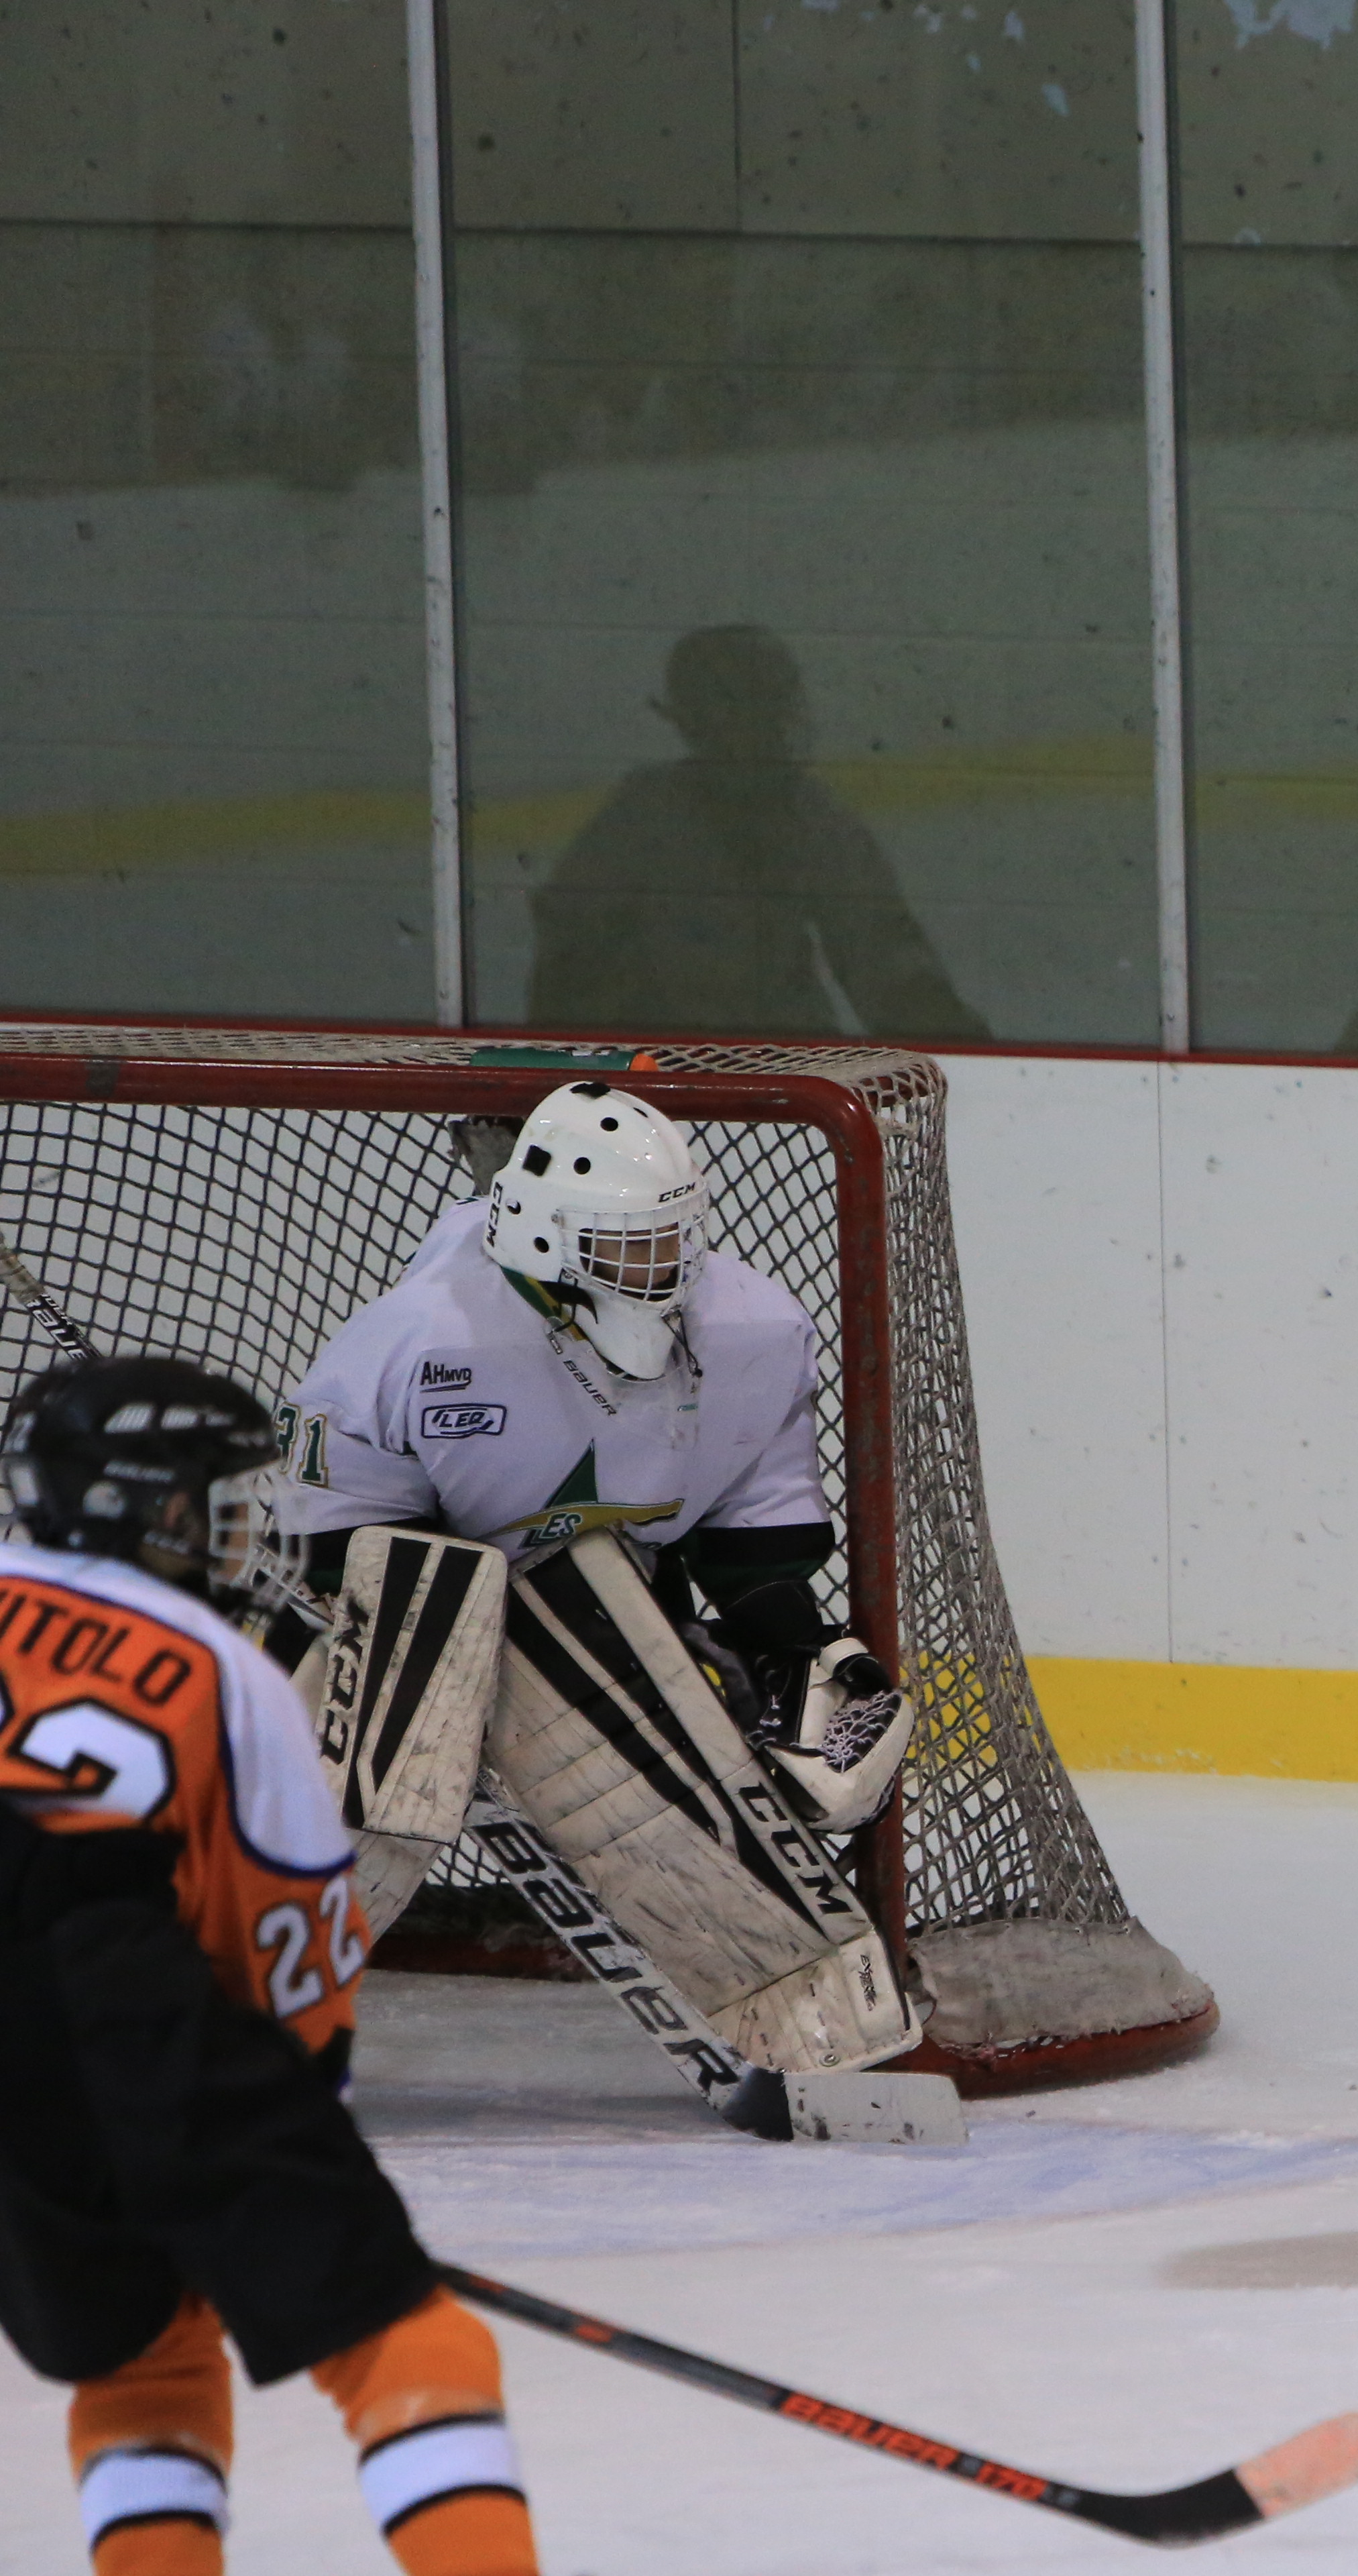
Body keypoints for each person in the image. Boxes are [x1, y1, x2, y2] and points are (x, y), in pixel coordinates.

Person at [0, 1353, 544, 2576]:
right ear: (144, 1506)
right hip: (101, 1984)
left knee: (142, 2357)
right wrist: (287, 2145)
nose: (244, 1530)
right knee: (416, 2346)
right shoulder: (219, 1666)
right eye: (218, 1500)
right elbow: (288, 1940)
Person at [276, 1079, 917, 2084]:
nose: (662, 1269)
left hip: (609, 1611)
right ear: (545, 1238)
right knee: (384, 1740)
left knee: (690, 1789)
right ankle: (233, 2004)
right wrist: (464, 1670)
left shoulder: (753, 1329)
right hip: (397, 1624)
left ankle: (815, 2023)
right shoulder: (418, 1343)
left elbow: (754, 1535)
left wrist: (788, 1649)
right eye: (629, 1246)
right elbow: (332, 1552)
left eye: (672, 1239)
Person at [526, 623, 991, 1042]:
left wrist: (951, 1043)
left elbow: (883, 951)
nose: (769, 732)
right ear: (707, 723)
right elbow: (573, 956)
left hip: (786, 1071)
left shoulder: (809, 814)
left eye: (773, 710)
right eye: (756, 713)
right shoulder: (645, 813)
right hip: (664, 1072)